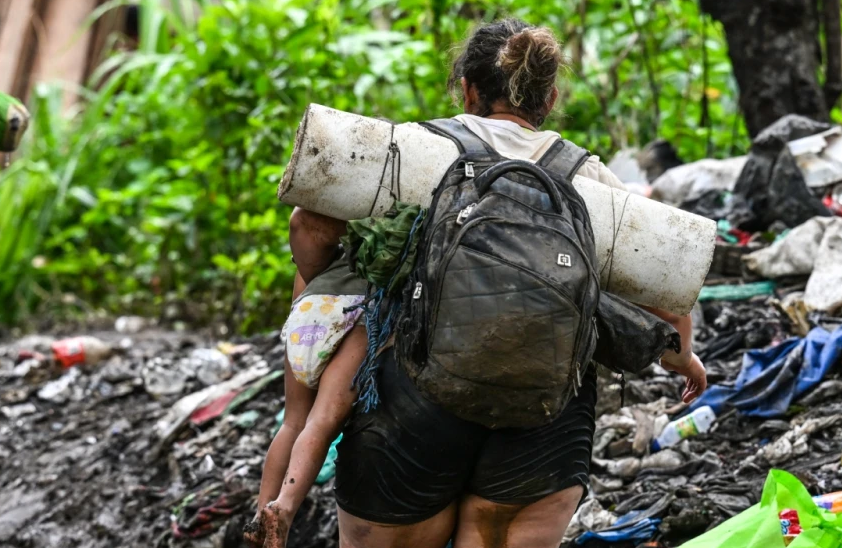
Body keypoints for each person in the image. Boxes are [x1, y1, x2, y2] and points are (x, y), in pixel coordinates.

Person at [284, 19, 706, 548]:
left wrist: (322, 285)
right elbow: (668, 298)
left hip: (411, 405)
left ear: (467, 89)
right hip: (545, 418)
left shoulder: (413, 151)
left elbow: (310, 224)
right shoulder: (592, 181)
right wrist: (684, 358)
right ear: (549, 98)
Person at [244, 218, 369, 548]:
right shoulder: (387, 247)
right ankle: (284, 507)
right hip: (357, 312)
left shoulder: (322, 254)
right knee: (322, 421)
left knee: (292, 422)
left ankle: (261, 514)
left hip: (309, 312)